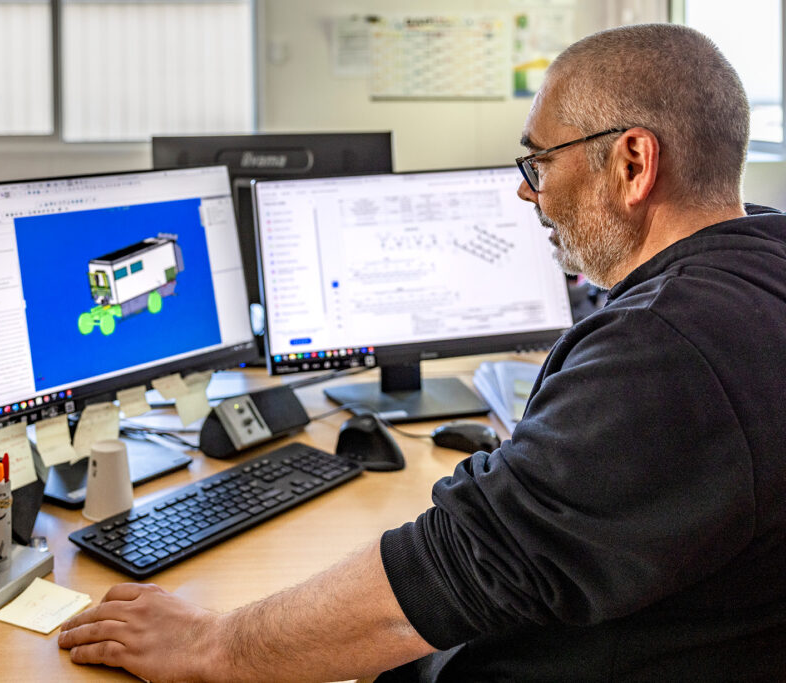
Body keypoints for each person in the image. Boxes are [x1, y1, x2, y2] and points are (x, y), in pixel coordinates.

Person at [58, 23, 786, 681]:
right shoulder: (759, 271)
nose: (526, 192)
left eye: (540, 161)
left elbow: (446, 573)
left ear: (632, 163)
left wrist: (211, 644)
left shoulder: (664, 348)